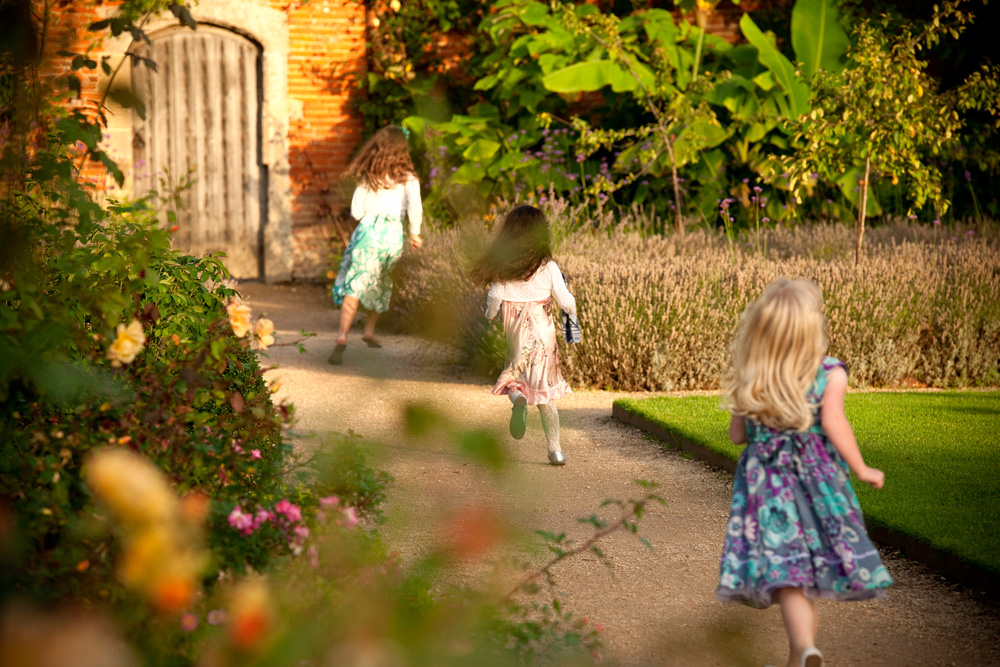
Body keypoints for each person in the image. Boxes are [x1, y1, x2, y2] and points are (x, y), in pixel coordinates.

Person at [717, 278, 892, 667]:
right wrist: (861, 468)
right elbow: (835, 423)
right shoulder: (831, 373)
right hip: (817, 486)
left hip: (767, 490)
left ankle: (803, 653)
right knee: (806, 575)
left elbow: (736, 436)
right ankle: (803, 653)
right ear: (813, 329)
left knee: (789, 575)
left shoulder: (754, 376)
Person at [471, 204, 576, 465]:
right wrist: (571, 320)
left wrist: (490, 314)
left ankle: (518, 401)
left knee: (515, 378)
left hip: (516, 332)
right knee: (545, 392)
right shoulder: (548, 266)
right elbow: (565, 300)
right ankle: (555, 450)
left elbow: (495, 296)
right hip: (544, 334)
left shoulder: (503, 266)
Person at [329, 125, 422, 365]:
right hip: (392, 236)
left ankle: (341, 336)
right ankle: (369, 330)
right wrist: (415, 233)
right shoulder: (409, 179)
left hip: (367, 233)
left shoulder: (369, 176)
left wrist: (368, 217)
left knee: (355, 283)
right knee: (382, 281)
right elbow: (415, 207)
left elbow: (356, 211)